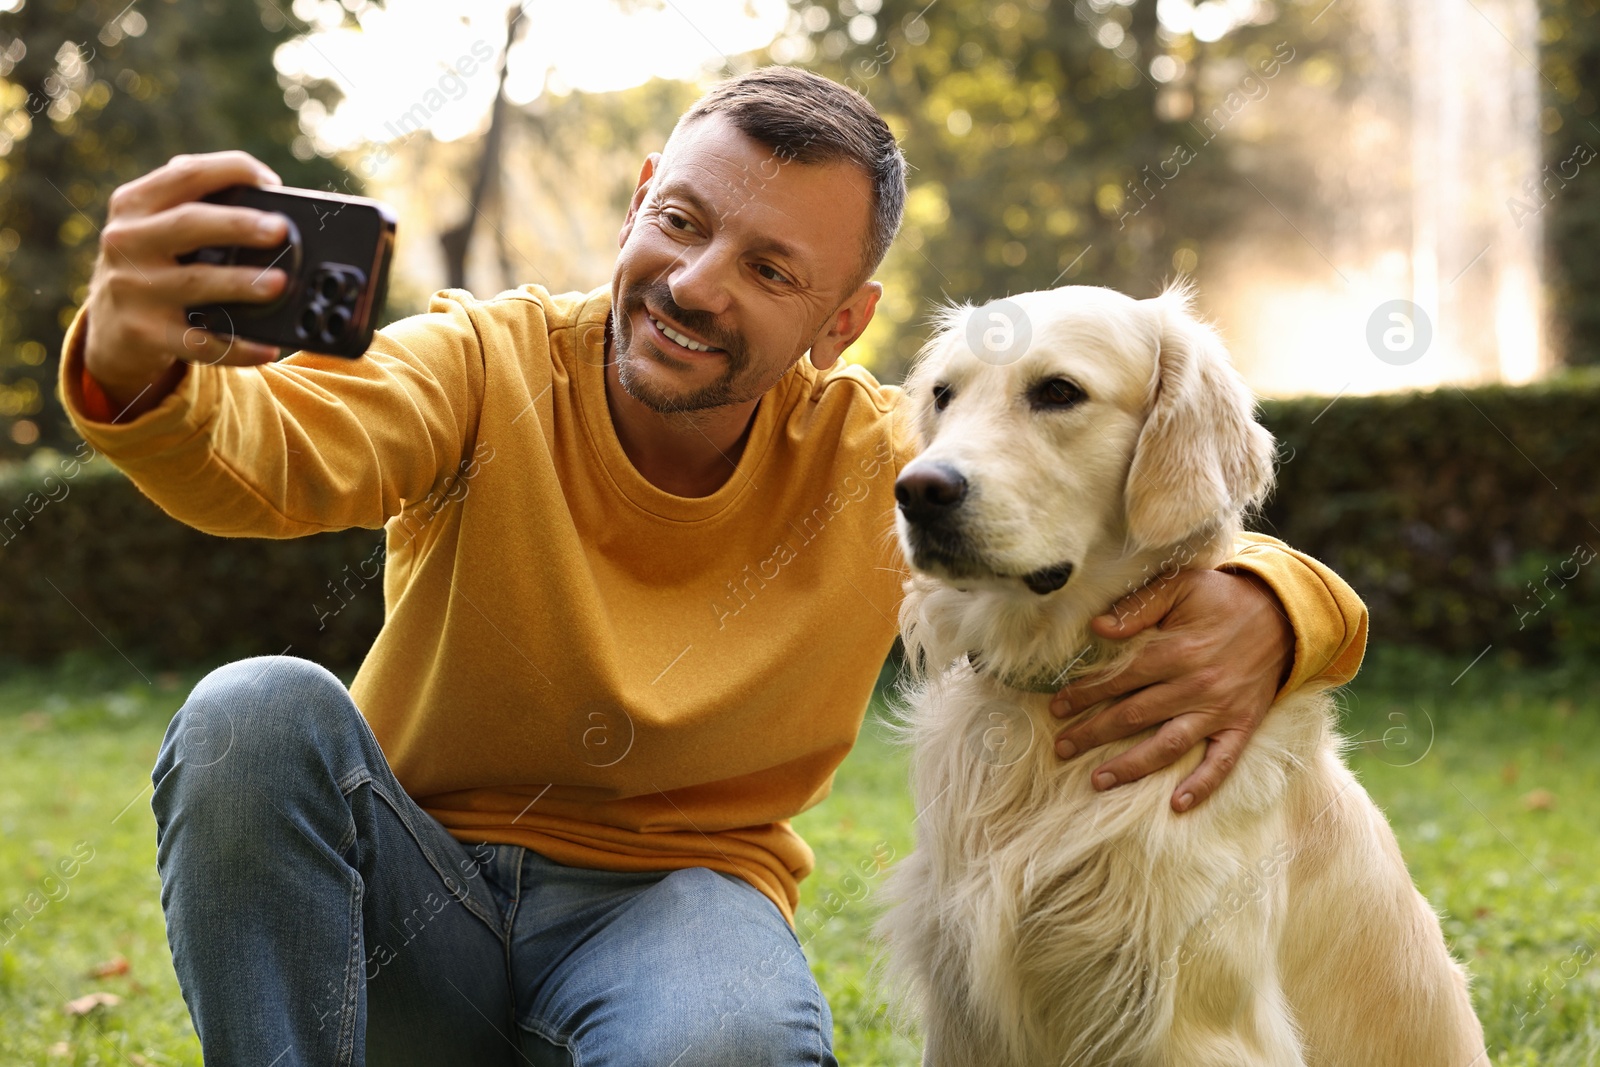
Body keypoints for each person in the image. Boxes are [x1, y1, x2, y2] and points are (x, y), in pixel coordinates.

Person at [60, 66, 1365, 1066]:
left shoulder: (891, 460)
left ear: (841, 322)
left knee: (726, 1043)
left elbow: (1133, 512)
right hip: (418, 902)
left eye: (768, 267)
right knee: (253, 714)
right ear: (641, 197)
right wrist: (134, 368)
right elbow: (275, 453)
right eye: (680, 221)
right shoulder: (486, 364)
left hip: (677, 906)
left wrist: (1279, 606)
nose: (693, 282)